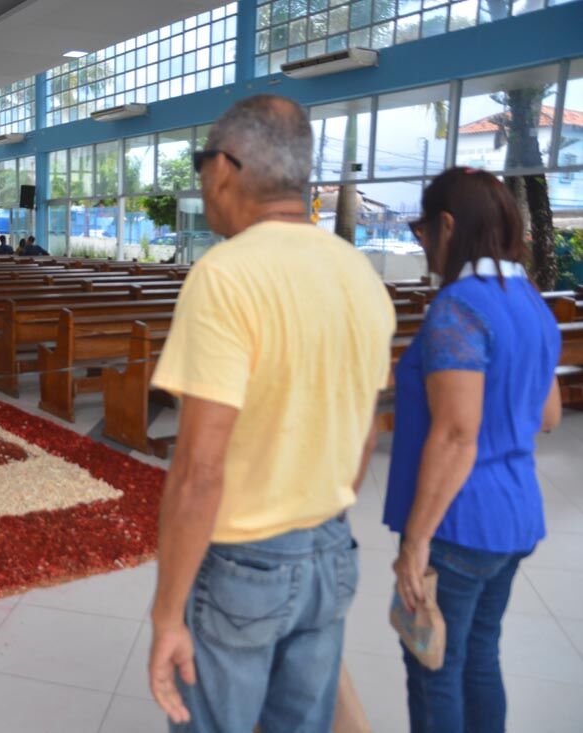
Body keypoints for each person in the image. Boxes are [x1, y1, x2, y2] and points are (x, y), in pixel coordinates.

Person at [146, 95, 396, 733]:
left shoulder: (226, 276)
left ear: (225, 168)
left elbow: (200, 468)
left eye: (202, 165)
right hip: (331, 547)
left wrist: (168, 615)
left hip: (244, 561)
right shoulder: (358, 274)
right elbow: (367, 428)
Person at [384, 168, 561, 733]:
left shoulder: (458, 307)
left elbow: (457, 435)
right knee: (479, 658)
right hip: (515, 516)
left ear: (449, 225)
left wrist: (414, 544)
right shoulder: (530, 302)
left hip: (459, 526)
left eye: (421, 228)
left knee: (435, 667)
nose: (420, 241)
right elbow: (549, 413)